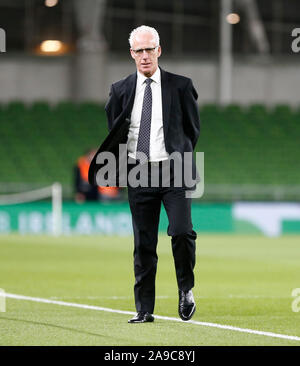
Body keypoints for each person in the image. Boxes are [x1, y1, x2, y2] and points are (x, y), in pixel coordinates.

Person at [104, 25, 200, 323]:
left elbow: (192, 130)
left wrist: (177, 155)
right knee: (144, 243)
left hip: (174, 170)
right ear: (131, 54)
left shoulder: (181, 86)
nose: (144, 56)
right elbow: (115, 130)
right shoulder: (120, 90)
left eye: (149, 49)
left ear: (159, 50)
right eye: (139, 50)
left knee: (182, 231)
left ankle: (185, 290)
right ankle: (144, 310)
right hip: (138, 173)